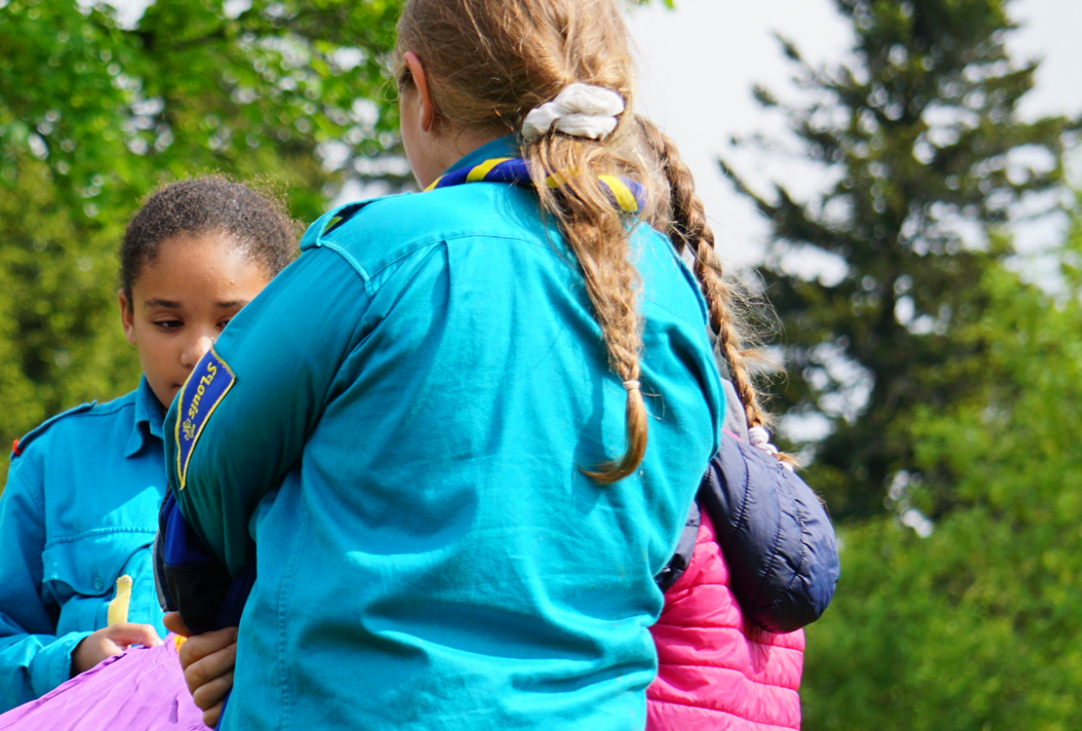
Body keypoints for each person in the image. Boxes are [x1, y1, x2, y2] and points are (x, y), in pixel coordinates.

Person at [159, 0, 777, 727]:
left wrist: (232, 593)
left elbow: (202, 455)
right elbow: (663, 542)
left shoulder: (375, 254)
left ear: (419, 90)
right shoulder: (670, 290)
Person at [0, 178, 299, 722]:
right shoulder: (57, 461)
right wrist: (74, 659)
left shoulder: (315, 460)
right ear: (128, 316)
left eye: (232, 323)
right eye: (168, 323)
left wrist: (258, 657)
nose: (199, 352)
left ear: (279, 316)